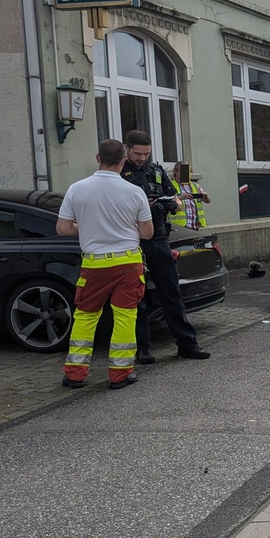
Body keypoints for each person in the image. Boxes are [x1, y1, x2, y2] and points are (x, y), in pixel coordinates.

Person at [56, 139, 154, 390]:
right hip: (128, 263)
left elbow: (63, 228)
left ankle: (75, 374)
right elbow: (147, 233)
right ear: (123, 161)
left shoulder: (77, 189)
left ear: (98, 158)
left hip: (94, 265)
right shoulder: (135, 192)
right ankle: (120, 375)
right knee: (124, 317)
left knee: (86, 317)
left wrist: (86, 226)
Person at [121, 130, 211, 363]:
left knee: (171, 292)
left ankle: (187, 344)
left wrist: (171, 204)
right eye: (138, 153)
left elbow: (176, 198)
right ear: (126, 149)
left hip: (158, 237)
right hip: (132, 239)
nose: (142, 158)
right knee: (137, 297)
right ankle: (142, 349)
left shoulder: (156, 170)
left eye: (146, 153)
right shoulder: (119, 173)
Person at [171, 161, 211, 230]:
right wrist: (182, 198)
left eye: (188, 172)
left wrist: (205, 197)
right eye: (183, 171)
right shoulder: (170, 185)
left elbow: (208, 201)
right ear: (176, 172)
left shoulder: (195, 186)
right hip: (179, 227)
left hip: (195, 226)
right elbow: (167, 201)